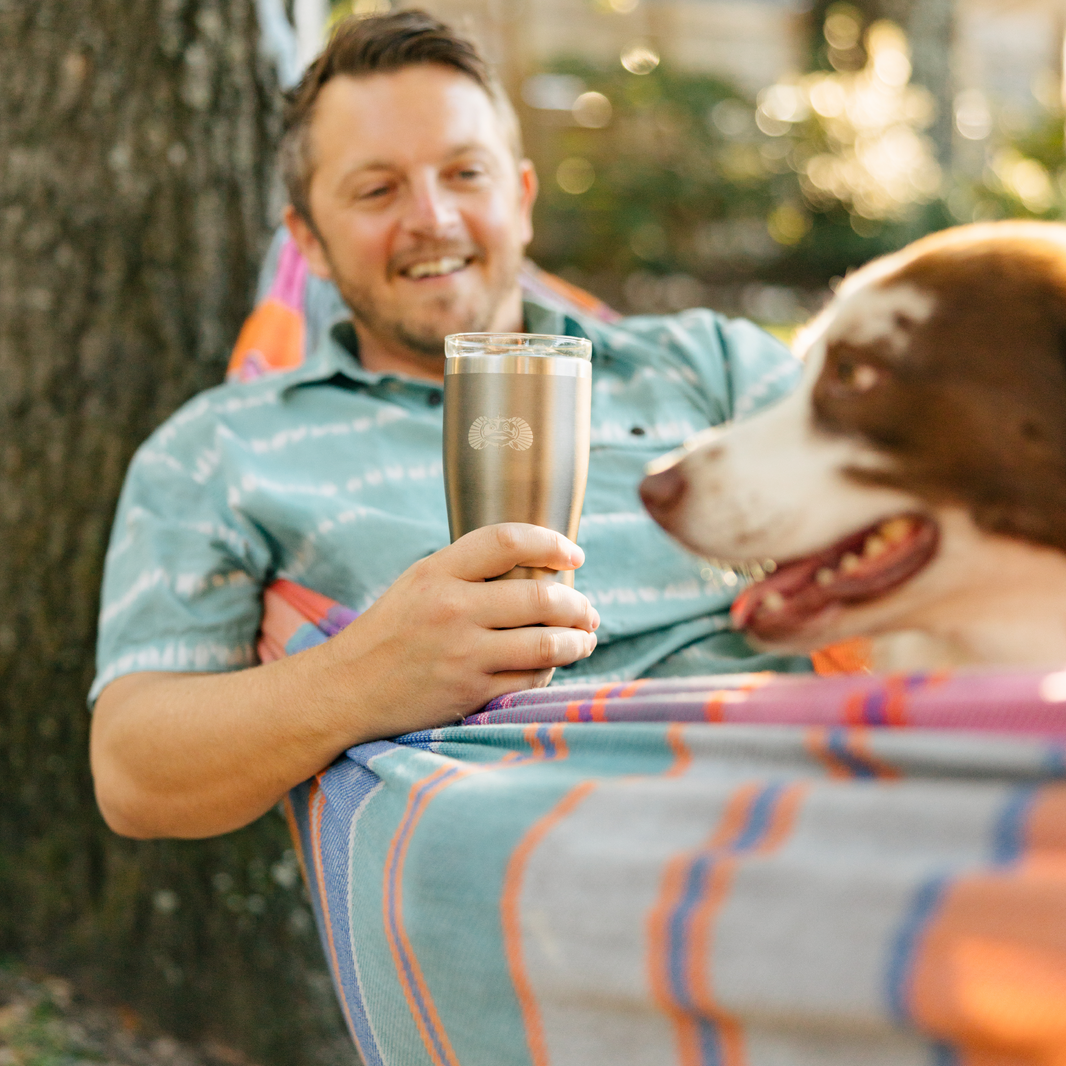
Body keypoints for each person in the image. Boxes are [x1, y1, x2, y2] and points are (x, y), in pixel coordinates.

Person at [89, 10, 809, 842]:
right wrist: (366, 678)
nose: (432, 217)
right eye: (376, 189)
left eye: (465, 173)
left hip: (810, 795)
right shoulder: (220, 449)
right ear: (309, 242)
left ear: (522, 197)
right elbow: (131, 772)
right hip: (530, 873)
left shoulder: (708, 364)